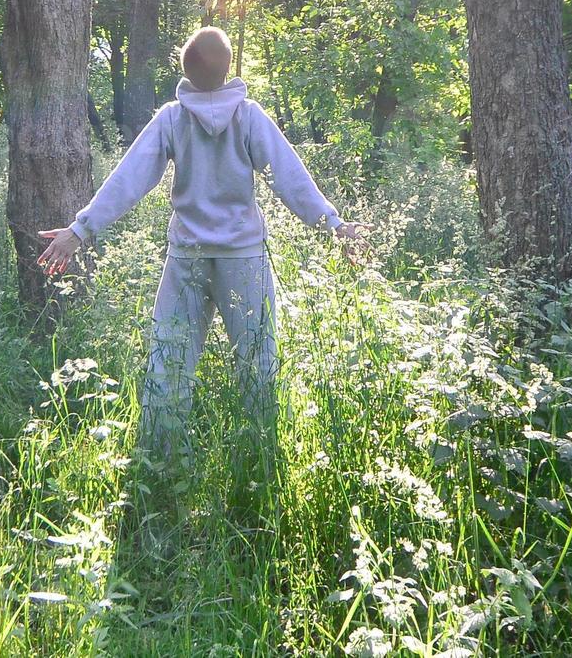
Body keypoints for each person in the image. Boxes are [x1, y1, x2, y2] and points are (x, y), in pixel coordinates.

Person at [37, 26, 361, 457]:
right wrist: (334, 225)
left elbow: (129, 179)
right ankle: (262, 455)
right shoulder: (248, 115)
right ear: (230, 70)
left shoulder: (173, 116)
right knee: (258, 360)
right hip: (242, 258)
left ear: (184, 69)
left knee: (168, 360)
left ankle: (160, 458)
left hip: (186, 257)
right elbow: (290, 177)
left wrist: (80, 229)